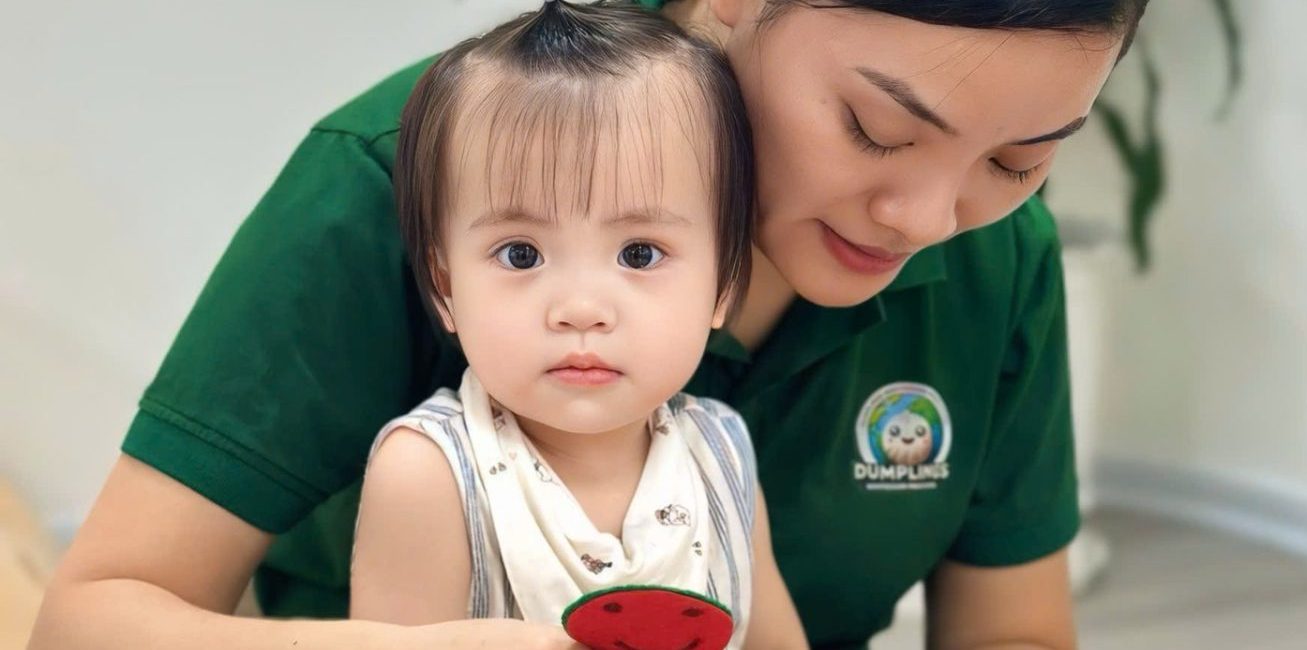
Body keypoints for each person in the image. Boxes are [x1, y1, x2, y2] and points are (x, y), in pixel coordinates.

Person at [30, 1, 1147, 648]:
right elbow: (88, 622)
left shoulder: (994, 256)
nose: (928, 217)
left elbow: (1012, 629)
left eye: (1019, 159)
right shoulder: (403, 180)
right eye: (874, 129)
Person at [348, 3, 805, 648]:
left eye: (639, 254)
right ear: (446, 287)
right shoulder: (430, 473)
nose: (582, 308)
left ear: (723, 284)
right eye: (521, 255)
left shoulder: (722, 453)